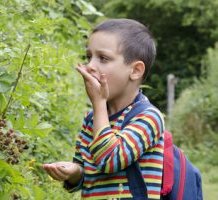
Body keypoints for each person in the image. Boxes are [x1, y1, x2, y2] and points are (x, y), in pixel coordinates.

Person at [42, 18, 165, 200]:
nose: (90, 66)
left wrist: (99, 104)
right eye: (88, 57)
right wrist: (74, 172)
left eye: (103, 58)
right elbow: (89, 174)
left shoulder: (149, 117)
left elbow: (110, 160)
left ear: (135, 70)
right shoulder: (92, 119)